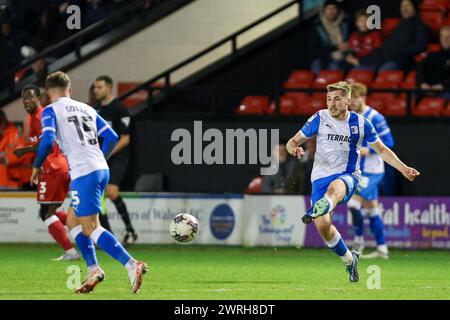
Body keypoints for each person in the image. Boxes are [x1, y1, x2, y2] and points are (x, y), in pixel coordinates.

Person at [286, 81, 420, 282]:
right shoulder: (319, 118)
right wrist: (294, 149)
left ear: (348, 101)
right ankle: (350, 260)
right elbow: (292, 142)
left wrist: (403, 168)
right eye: (329, 99)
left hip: (348, 175)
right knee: (323, 227)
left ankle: (325, 204)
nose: (332, 104)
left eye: (337, 99)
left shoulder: (361, 123)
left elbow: (382, 150)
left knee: (335, 188)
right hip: (320, 178)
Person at [30, 71, 148, 294]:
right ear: (70, 89)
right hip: (99, 168)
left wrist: (37, 165)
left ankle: (132, 264)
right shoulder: (88, 108)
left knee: (90, 227)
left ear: (48, 92)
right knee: (73, 221)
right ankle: (94, 269)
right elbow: (112, 136)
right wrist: (99, 157)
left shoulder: (50, 110)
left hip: (84, 172)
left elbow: (46, 140)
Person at [13, 84, 79, 261]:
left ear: (39, 98)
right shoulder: (35, 116)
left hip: (54, 168)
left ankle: (71, 252)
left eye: (30, 97)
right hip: (57, 167)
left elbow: (47, 144)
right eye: (24, 98)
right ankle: (81, 224)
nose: (27, 101)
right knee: (49, 211)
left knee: (46, 213)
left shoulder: (40, 116)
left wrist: (24, 151)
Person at [347, 82, 394, 259]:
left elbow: (389, 142)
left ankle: (358, 241)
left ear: (363, 97)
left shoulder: (375, 117)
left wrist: (370, 150)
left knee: (353, 204)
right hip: (357, 170)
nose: (352, 101)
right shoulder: (349, 117)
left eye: (356, 97)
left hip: (373, 171)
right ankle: (382, 249)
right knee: (372, 209)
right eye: (350, 98)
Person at [93, 75, 137, 246]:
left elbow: (126, 138)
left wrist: (108, 153)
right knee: (99, 197)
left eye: (100, 87)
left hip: (117, 157)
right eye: (95, 87)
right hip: (100, 157)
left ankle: (130, 230)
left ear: (109, 88)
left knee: (111, 191)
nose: (96, 90)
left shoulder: (119, 109)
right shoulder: (95, 110)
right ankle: (108, 237)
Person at [356, 0, 428, 71]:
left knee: (383, 71)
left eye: (408, 5)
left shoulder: (420, 26)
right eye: (402, 6)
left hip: (398, 60)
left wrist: (400, 52)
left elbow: (420, 46)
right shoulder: (400, 25)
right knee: (357, 70)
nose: (404, 8)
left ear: (414, 7)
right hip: (383, 57)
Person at [308, 0, 351, 74]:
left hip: (344, 55)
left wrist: (347, 46)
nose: (331, 11)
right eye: (328, 8)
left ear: (338, 10)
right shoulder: (317, 25)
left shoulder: (346, 22)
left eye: (334, 8)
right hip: (324, 55)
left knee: (334, 66)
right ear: (324, 10)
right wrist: (335, 47)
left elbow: (353, 40)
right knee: (316, 66)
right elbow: (313, 50)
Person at [416, 26, 450, 99]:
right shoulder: (432, 55)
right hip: (427, 89)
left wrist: (442, 86)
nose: (445, 40)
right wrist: (423, 84)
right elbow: (420, 70)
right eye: (442, 37)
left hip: (446, 90)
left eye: (448, 37)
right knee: (409, 97)